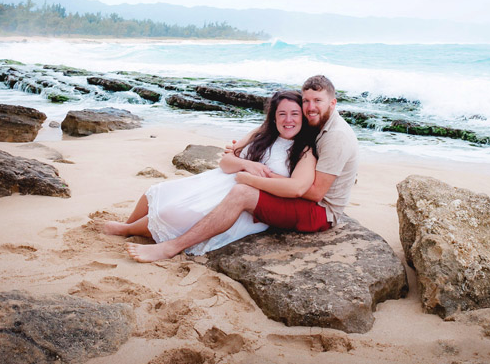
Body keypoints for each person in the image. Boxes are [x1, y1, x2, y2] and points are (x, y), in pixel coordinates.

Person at [126, 75, 359, 262]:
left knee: (241, 193)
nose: (310, 107)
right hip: (291, 192)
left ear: (332, 103)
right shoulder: (311, 122)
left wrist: (256, 177)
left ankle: (172, 247)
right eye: (306, 101)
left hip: (320, 210)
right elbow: (271, 126)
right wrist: (246, 152)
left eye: (317, 101)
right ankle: (128, 228)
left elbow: (313, 192)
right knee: (174, 193)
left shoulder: (335, 136)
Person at [104, 90, 318, 255]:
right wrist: (246, 165)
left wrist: (250, 177)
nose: (288, 120)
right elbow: (226, 162)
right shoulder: (262, 134)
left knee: (174, 213)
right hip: (219, 180)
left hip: (244, 201)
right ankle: (127, 226)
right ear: (274, 117)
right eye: (282, 114)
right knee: (158, 191)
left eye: (294, 114)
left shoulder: (304, 150)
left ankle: (129, 231)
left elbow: (297, 187)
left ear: (303, 117)